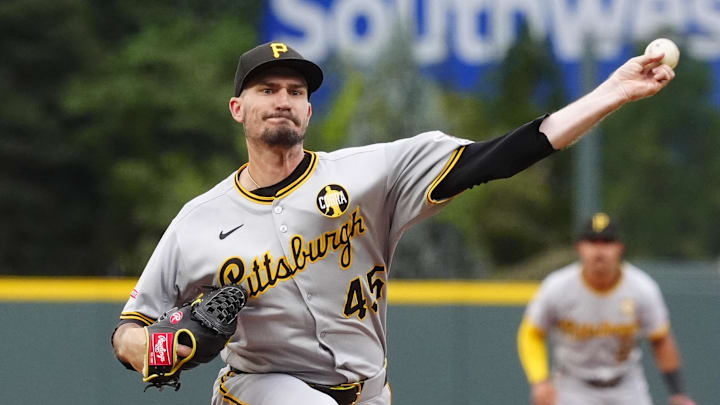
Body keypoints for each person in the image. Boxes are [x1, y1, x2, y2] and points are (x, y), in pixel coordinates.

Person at [112, 41, 675, 405]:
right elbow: (128, 330)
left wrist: (613, 93)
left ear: (309, 111)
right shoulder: (198, 222)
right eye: (266, 89)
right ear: (238, 108)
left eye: (296, 91)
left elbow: (499, 156)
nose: (282, 99)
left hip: (368, 388)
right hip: (261, 389)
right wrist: (163, 349)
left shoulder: (370, 175)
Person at [517, 212, 695, 405]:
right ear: (579, 247)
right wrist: (540, 381)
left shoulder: (642, 288)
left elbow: (660, 338)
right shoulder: (558, 287)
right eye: (593, 242)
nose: (599, 250)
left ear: (620, 247)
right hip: (574, 386)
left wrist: (678, 393)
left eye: (607, 242)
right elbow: (531, 333)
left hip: (626, 385)